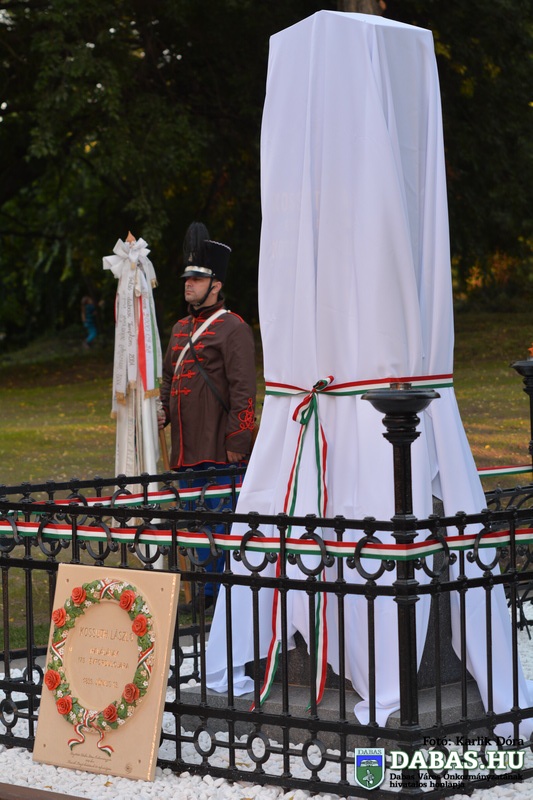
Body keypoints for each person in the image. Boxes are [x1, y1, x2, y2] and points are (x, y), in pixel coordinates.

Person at [158, 222, 257, 610]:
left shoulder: (233, 328)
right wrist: (163, 410)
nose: (189, 284)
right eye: (187, 278)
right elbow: (169, 377)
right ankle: (203, 589)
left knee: (220, 520)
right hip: (185, 447)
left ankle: (221, 591)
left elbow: (244, 390)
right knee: (193, 521)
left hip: (219, 446)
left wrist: (238, 440)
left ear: (216, 285)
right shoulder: (179, 328)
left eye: (197, 279)